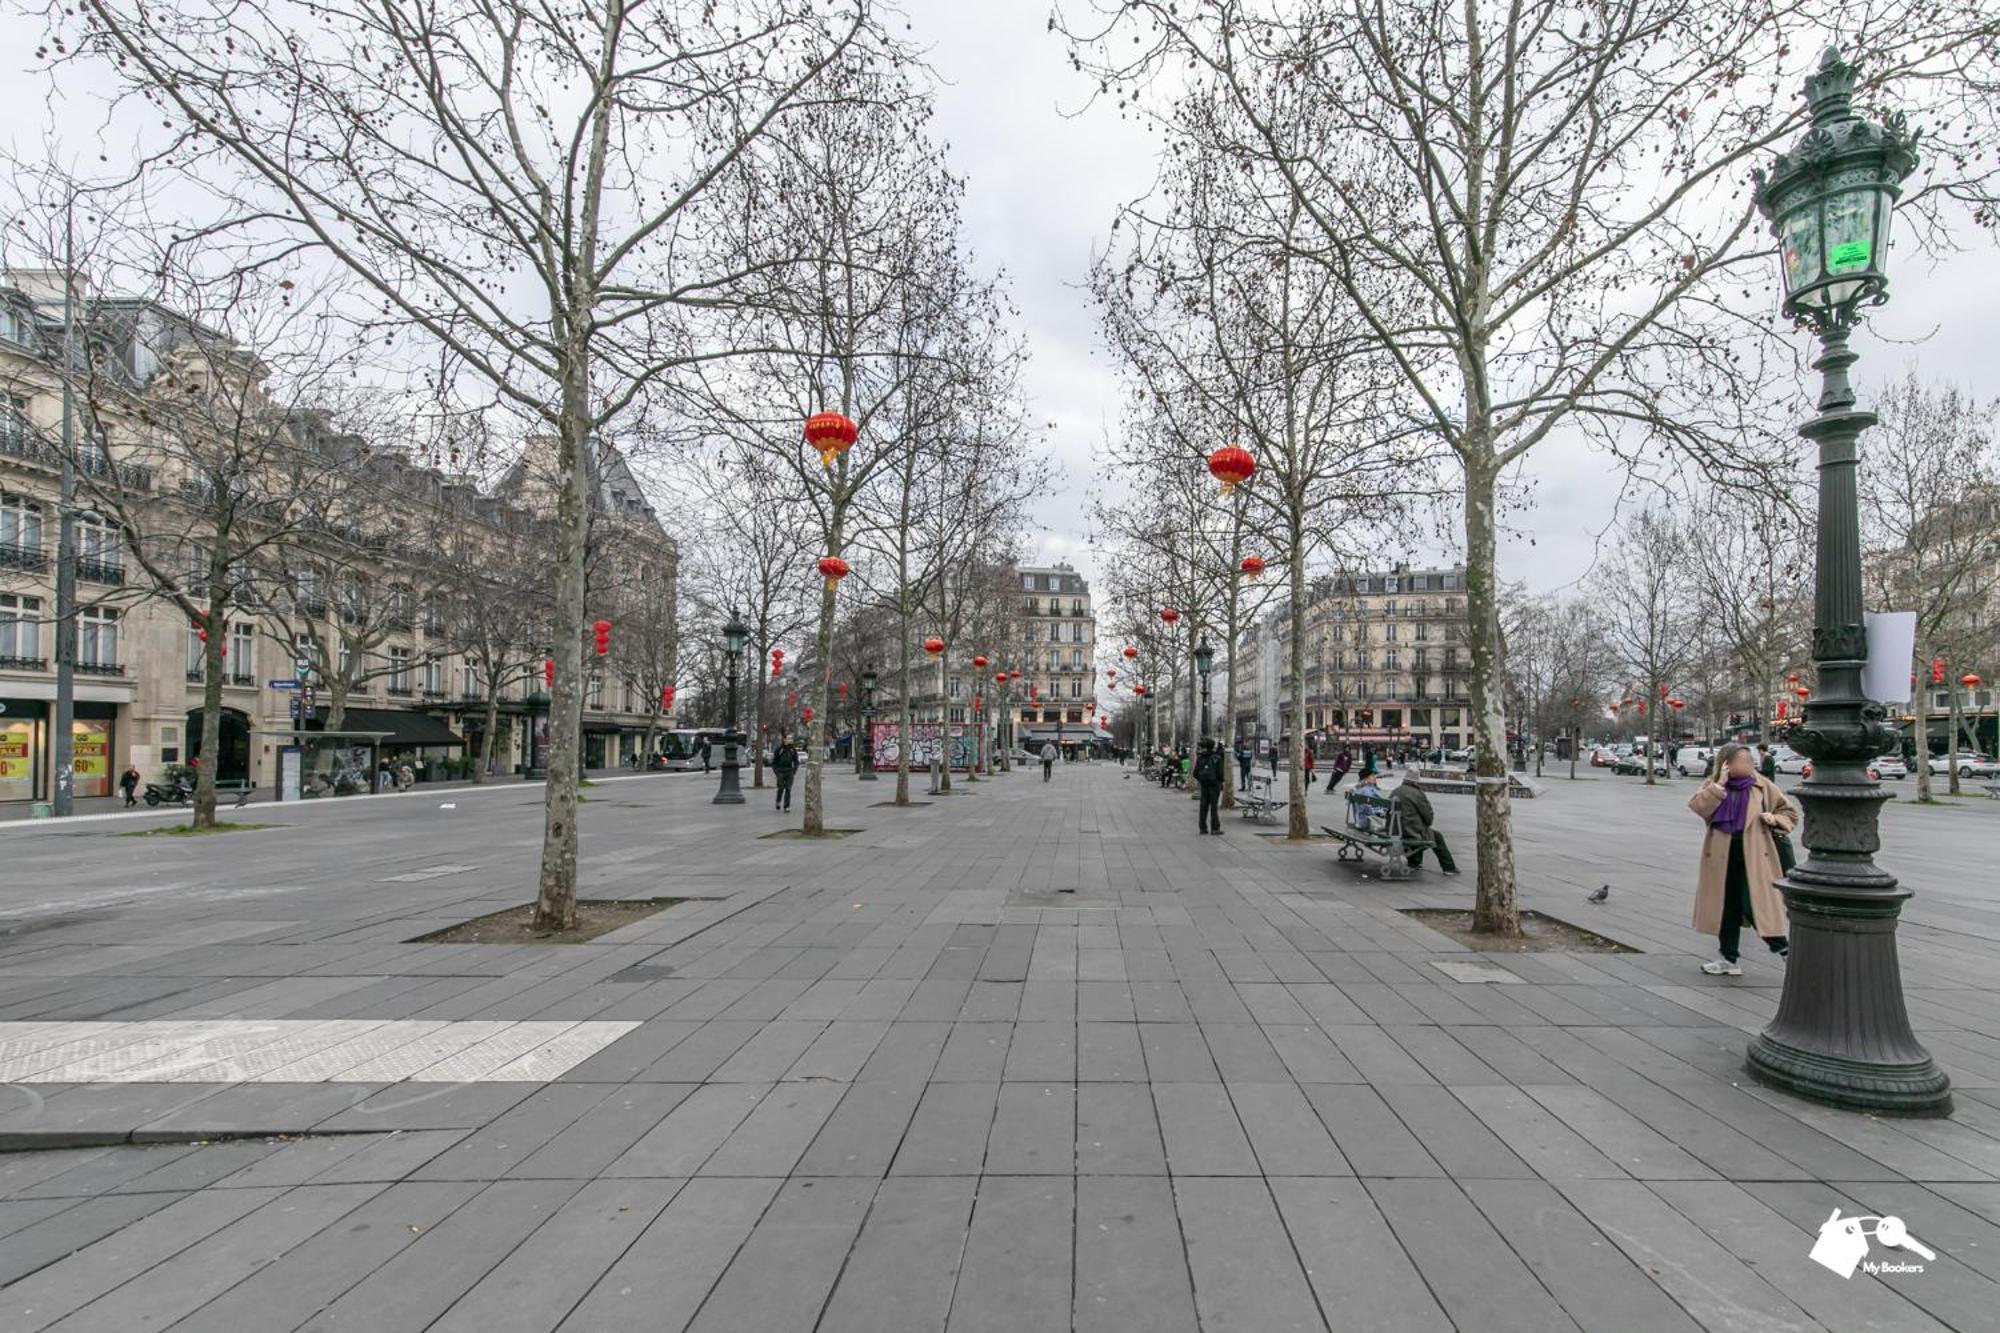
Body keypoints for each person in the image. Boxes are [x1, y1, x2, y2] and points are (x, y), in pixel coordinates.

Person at [1689, 742, 1795, 976]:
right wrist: (1719, 785)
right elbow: (1698, 807)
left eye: (1750, 760)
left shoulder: (1762, 785)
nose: (1748, 765)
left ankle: (1786, 952)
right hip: (1722, 857)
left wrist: (1774, 818)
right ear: (1726, 764)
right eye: (1742, 761)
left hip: (1755, 856)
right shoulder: (1715, 785)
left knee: (1755, 905)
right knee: (1726, 906)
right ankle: (1728, 958)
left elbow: (1789, 813)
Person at [1391, 775, 1459, 874]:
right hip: (1409, 830)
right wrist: (1427, 822)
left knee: (1420, 831)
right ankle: (1449, 867)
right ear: (1416, 782)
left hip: (1395, 829)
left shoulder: (1396, 791)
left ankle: (1414, 863)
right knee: (1436, 836)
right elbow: (1428, 815)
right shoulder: (1418, 794)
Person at [1194, 739, 1226, 834]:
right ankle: (1215, 828)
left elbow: (1195, 773)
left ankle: (1203, 828)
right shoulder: (1217, 758)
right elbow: (1220, 774)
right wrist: (1219, 781)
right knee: (1213, 807)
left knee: (1203, 807)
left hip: (1204, 786)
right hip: (1214, 785)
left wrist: (1202, 779)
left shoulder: (1200, 758)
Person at [771, 733, 799, 811]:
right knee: (780, 787)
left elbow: (796, 761)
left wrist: (794, 770)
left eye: (791, 739)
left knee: (788, 788)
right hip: (780, 771)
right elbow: (774, 762)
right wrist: (776, 771)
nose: (790, 740)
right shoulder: (779, 749)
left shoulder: (793, 750)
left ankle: (786, 806)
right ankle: (778, 801)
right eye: (788, 738)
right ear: (784, 740)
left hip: (789, 771)